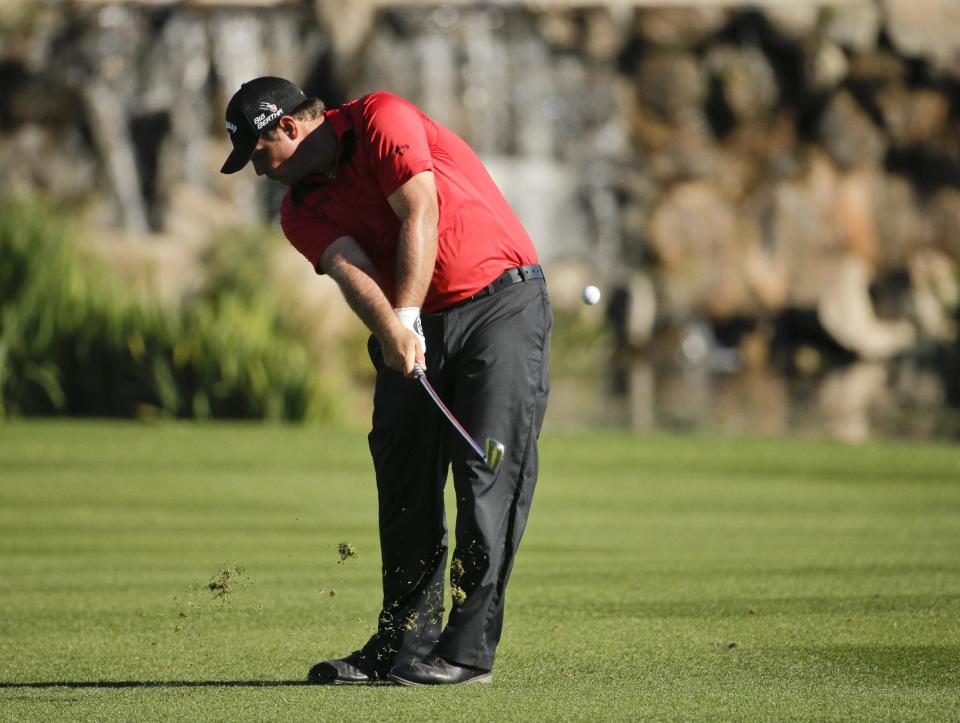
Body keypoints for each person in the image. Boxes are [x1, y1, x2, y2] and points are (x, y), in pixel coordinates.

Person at [220, 76, 551, 686]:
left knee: (485, 480)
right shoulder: (298, 210)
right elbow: (352, 270)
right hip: (411, 320)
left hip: (498, 307)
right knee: (402, 477)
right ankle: (403, 643)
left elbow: (419, 208)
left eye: (259, 155)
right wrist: (395, 329)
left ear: (288, 127)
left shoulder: (382, 117)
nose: (260, 174)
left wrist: (404, 318)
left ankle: (466, 651)